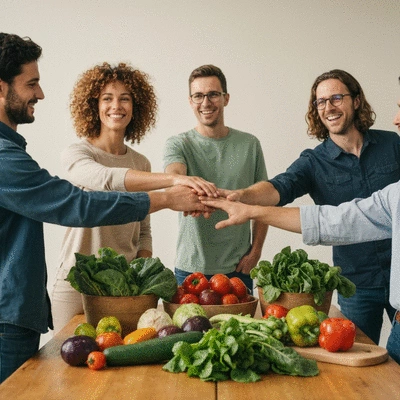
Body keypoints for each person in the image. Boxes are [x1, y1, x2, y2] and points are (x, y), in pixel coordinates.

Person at [0, 33, 209, 383]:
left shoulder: (12, 151)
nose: (40, 93)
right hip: (16, 312)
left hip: (26, 311)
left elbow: (140, 228)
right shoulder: (12, 156)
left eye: (125, 98)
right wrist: (169, 191)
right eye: (31, 83)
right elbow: (79, 201)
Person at [201, 88, 400, 363]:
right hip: (358, 282)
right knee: (357, 364)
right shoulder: (314, 161)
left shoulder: (392, 144)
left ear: (356, 100)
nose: (328, 106)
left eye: (336, 98)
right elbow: (280, 188)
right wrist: (241, 197)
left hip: (396, 273)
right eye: (320, 101)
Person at [51, 62, 218, 334]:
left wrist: (136, 276)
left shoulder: (140, 162)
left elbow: (144, 231)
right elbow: (106, 178)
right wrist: (174, 181)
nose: (116, 106)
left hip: (122, 288)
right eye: (107, 98)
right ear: (94, 105)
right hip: (75, 283)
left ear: (136, 106)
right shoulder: (77, 154)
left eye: (124, 99)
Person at [163, 64, 268, 293]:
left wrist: (256, 252)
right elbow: (173, 176)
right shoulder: (178, 143)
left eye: (213, 95)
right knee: (190, 329)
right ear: (190, 101)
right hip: (190, 268)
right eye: (198, 96)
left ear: (226, 98)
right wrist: (186, 181)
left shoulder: (250, 144)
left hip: (239, 267)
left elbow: (264, 200)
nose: (206, 103)